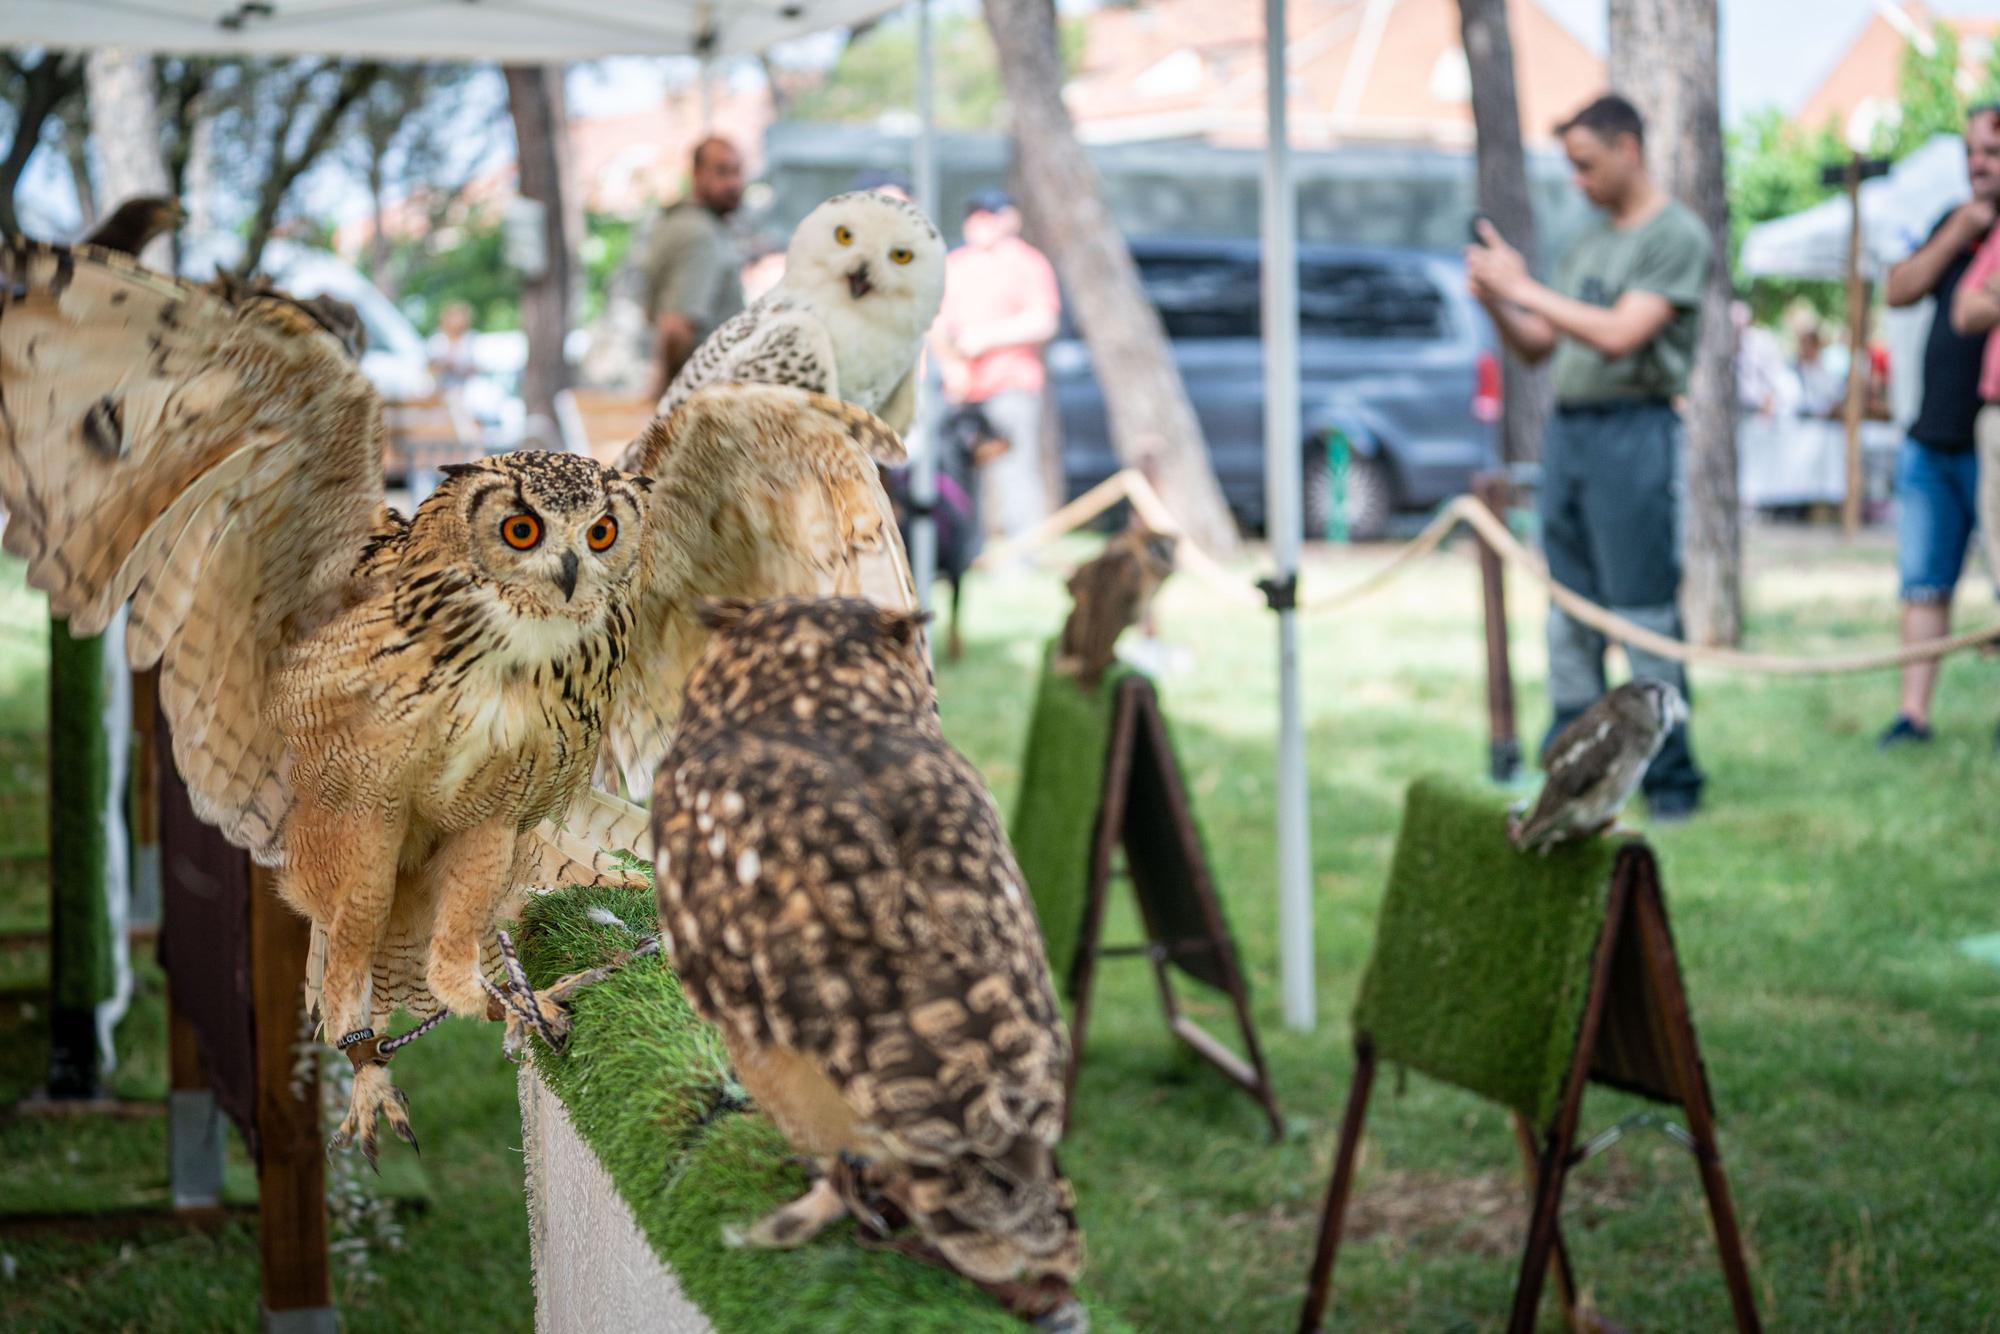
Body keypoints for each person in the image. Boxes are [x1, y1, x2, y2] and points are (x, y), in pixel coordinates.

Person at [1464, 93, 1709, 821]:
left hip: (1633, 433)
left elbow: (1619, 334)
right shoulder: (1588, 238)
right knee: (1568, 608)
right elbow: (1541, 345)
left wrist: (1524, 287)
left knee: (1641, 608)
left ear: (1628, 148)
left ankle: (1670, 776)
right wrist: (1495, 300)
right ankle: (1568, 761)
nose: (1578, 180)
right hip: (1570, 435)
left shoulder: (1676, 236)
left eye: (1587, 164)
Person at [1874, 103, 2000, 748]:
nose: (1980, 165)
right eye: (1973, 152)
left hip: (1992, 434)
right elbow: (1897, 289)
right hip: (1934, 434)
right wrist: (1956, 233)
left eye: (1992, 153)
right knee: (1923, 581)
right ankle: (1913, 716)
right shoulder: (1954, 225)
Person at [933, 189, 1062, 544]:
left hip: (1010, 384)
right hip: (962, 388)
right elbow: (936, 322)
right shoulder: (955, 263)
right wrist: (950, 363)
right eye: (975, 215)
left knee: (1014, 472)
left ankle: (1021, 556)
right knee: (957, 475)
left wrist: (988, 338)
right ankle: (966, 549)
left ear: (1010, 220)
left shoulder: (1028, 263)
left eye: (989, 216)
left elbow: (1043, 320)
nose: (980, 223)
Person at [639, 136, 746, 398]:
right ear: (697, 174)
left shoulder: (678, 221)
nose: (733, 183)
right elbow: (676, 329)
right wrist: (675, 399)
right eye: (722, 171)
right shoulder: (700, 235)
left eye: (737, 172)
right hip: (701, 401)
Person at [426, 301, 478, 396]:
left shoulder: (471, 339)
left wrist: (458, 368)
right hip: (438, 389)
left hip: (465, 390)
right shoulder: (436, 339)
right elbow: (429, 367)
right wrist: (444, 365)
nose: (457, 321)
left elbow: (476, 368)